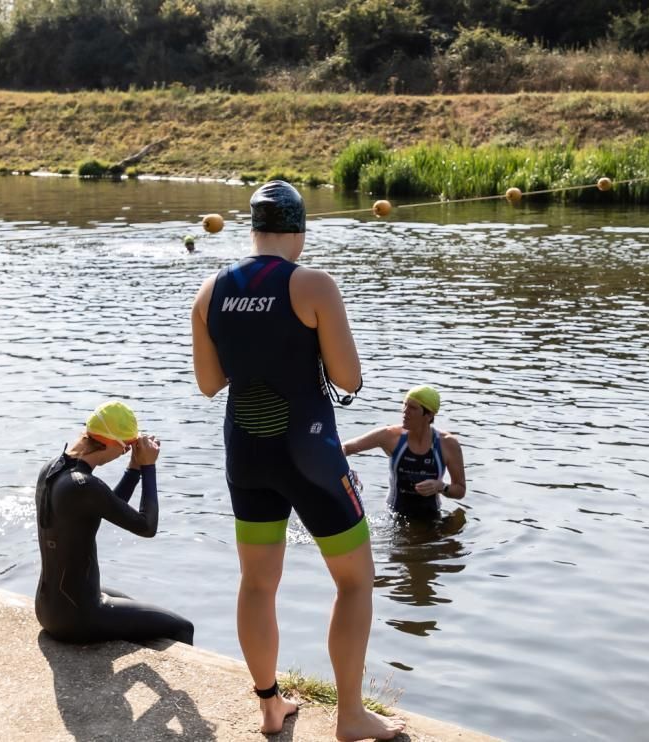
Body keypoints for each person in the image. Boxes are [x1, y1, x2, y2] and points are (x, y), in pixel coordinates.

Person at [191, 180, 405, 740]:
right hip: (308, 454)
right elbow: (348, 378)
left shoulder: (210, 291)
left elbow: (210, 384)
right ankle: (351, 716)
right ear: (300, 232)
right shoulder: (313, 285)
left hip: (245, 451)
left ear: (254, 231)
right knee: (356, 581)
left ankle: (270, 707)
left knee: (257, 583)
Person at [34, 401, 194, 645]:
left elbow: (107, 506)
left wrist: (133, 469)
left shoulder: (53, 469)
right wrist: (149, 467)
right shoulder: (84, 485)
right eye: (127, 448)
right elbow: (146, 526)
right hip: (78, 618)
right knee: (182, 628)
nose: (126, 453)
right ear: (111, 443)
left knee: (134, 607)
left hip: (47, 609)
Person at [342, 386, 466, 519]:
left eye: (412, 408)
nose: (405, 412)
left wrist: (441, 487)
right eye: (405, 405)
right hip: (394, 516)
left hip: (432, 517)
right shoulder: (389, 436)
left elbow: (460, 490)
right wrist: (345, 470)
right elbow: (344, 448)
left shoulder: (448, 444)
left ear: (429, 415)